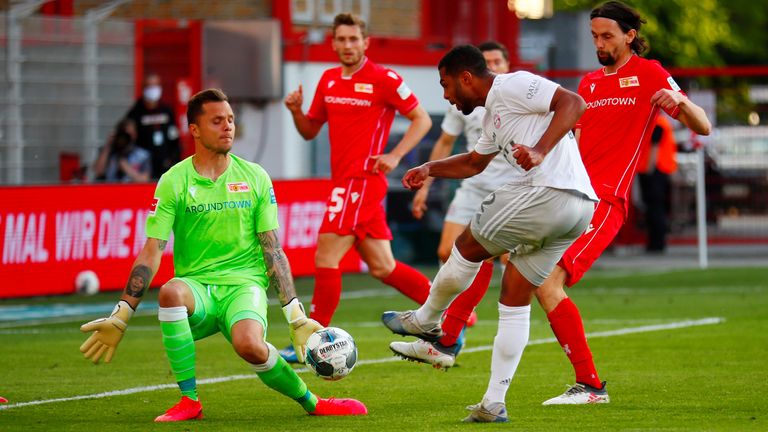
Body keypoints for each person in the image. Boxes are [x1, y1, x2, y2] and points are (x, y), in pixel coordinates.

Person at [393, 1, 712, 406]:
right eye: (594, 35)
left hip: (603, 200)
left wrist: (680, 103)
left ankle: (589, 385)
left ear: (630, 36)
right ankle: (453, 344)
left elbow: (703, 125)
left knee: (541, 281)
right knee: (506, 269)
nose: (599, 42)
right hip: (562, 190)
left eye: (607, 36)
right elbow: (565, 133)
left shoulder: (649, 74)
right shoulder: (591, 82)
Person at [79, 88, 367, 422]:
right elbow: (151, 252)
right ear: (195, 130)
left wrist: (296, 316)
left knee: (250, 346)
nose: (228, 126)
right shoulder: (173, 181)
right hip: (198, 289)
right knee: (171, 291)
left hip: (243, 287)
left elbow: (273, 249)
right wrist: (122, 314)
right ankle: (189, 400)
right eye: (217, 121)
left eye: (230, 119)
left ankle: (313, 402)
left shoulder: (255, 176)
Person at [382, 45, 597, 423]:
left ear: (466, 77)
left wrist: (540, 150)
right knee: (514, 295)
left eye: (446, 85)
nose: (446, 95)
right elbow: (473, 163)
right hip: (578, 209)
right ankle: (493, 402)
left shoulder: (513, 84)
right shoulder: (493, 117)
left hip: (548, 192)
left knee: (464, 246)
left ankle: (428, 320)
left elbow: (574, 102)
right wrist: (429, 168)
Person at [281, 13, 433, 362]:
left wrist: (396, 155)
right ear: (333, 43)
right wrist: (295, 111)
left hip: (361, 181)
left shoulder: (384, 78)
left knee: (326, 255)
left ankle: (311, 338)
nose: (347, 45)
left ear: (366, 43)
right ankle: (455, 313)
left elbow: (421, 118)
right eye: (341, 39)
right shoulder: (329, 80)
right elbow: (309, 130)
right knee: (383, 267)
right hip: (345, 182)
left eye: (354, 39)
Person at [394, 41, 516, 368]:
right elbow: (448, 143)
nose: (492, 65)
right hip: (473, 186)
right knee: (448, 252)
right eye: (486, 60)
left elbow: (568, 107)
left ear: (505, 65)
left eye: (496, 60)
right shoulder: (463, 102)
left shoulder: (516, 95)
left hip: (510, 189)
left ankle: (454, 326)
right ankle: (452, 324)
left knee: (506, 265)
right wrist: (426, 184)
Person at [126, 73, 181, 179]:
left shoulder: (167, 111)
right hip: (144, 166)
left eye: (155, 86)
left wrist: (173, 160)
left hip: (165, 164)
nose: (152, 90)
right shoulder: (136, 112)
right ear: (143, 89)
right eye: (149, 86)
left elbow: (175, 138)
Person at [637, 114, 677, 253]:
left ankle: (656, 243)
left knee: (654, 208)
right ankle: (656, 242)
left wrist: (649, 168)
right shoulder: (663, 122)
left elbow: (655, 147)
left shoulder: (657, 123)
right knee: (656, 207)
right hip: (661, 168)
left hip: (654, 169)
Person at [92, 118, 151, 182]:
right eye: (124, 134)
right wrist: (108, 145)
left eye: (129, 134)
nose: (126, 138)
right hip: (110, 189)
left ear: (135, 135)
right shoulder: (108, 151)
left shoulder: (143, 155)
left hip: (132, 189)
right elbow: (98, 171)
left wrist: (127, 168)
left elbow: (145, 180)